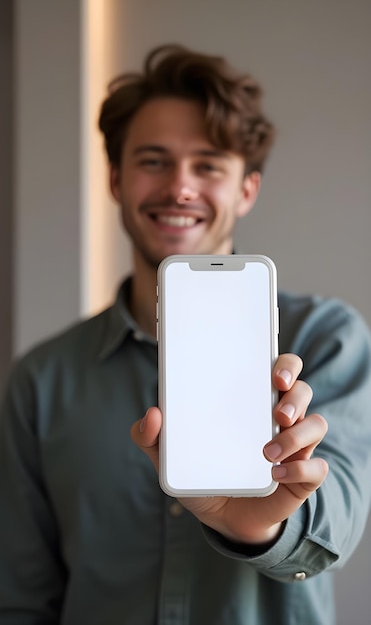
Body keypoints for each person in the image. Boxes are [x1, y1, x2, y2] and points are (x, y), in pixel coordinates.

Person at [0, 44, 370, 625]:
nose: (180, 188)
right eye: (153, 160)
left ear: (246, 189)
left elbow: (341, 518)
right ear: (116, 179)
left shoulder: (327, 338)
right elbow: (22, 597)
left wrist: (265, 526)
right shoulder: (41, 380)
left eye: (208, 164)